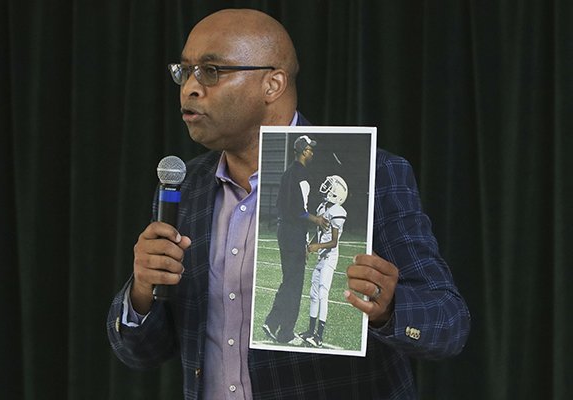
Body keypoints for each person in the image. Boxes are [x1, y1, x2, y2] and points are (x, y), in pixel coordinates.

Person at [107, 8, 470, 400]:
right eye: (185, 71)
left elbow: (448, 325)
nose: (190, 88)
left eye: (211, 71)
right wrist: (142, 291)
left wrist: (390, 308)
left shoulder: (375, 172)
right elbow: (143, 354)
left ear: (273, 83)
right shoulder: (185, 188)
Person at [262, 135, 328, 344]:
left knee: (288, 280)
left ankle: (272, 322)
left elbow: (282, 205)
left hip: (284, 231)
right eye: (309, 149)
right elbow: (298, 211)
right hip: (293, 233)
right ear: (302, 151)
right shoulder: (301, 175)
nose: (312, 152)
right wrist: (316, 220)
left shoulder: (287, 173)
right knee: (295, 283)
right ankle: (286, 333)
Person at [300, 175, 349, 348]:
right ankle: (310, 331)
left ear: (336, 193)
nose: (325, 187)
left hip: (330, 258)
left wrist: (317, 246)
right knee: (313, 294)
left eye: (329, 186)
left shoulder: (337, 212)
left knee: (322, 294)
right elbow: (319, 232)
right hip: (321, 257)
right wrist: (309, 246)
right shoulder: (323, 207)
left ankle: (319, 336)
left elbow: (334, 242)